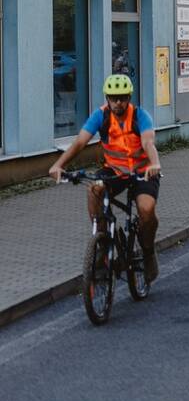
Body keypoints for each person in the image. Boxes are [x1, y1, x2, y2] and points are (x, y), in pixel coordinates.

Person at [49, 74, 163, 282]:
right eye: (113, 97)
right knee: (94, 189)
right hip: (115, 171)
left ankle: (148, 253)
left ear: (129, 97)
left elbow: (148, 143)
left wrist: (155, 163)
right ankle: (101, 243)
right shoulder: (100, 116)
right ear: (107, 98)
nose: (117, 102)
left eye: (122, 97)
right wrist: (59, 165)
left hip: (143, 171)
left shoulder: (140, 116)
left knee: (146, 210)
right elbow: (79, 143)